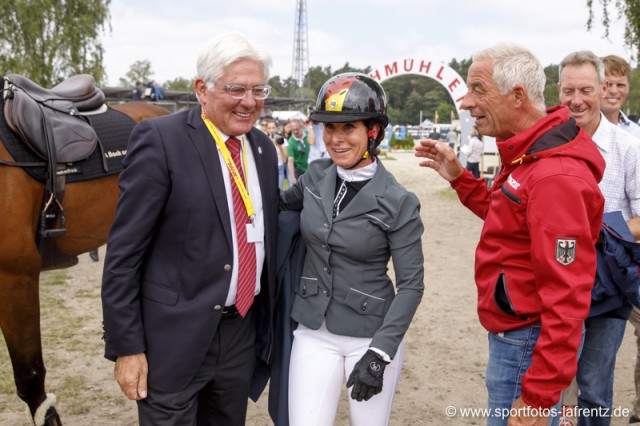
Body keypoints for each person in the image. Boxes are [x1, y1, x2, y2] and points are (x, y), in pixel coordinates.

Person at [416, 44, 605, 426]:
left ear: (517, 96)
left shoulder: (554, 175)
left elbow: (568, 297)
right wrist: (460, 178)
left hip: (528, 343)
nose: (467, 103)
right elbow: (509, 221)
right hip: (520, 336)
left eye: (478, 90)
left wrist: (537, 398)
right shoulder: (530, 153)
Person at [101, 31, 279, 425]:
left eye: (258, 90)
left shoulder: (264, 149)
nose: (250, 102)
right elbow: (124, 254)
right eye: (236, 89)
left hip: (240, 334)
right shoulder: (161, 140)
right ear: (202, 88)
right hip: (174, 338)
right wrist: (127, 346)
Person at [281, 72, 424, 425]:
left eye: (348, 128)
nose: (336, 139)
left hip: (371, 336)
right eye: (329, 128)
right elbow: (277, 210)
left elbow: (411, 286)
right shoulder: (314, 176)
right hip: (314, 330)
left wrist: (380, 353)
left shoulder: (399, 201)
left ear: (372, 132)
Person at [557, 51, 640, 426]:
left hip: (607, 286)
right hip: (557, 283)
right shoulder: (547, 146)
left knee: (594, 389)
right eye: (568, 90)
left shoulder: (628, 147)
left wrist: (599, 230)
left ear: (601, 88)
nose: (577, 99)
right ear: (557, 91)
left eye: (586, 90)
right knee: (554, 386)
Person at [600, 55, 640, 425]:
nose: (613, 91)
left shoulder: (635, 137)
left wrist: (613, 234)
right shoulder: (576, 133)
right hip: (591, 262)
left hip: (625, 256)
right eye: (607, 83)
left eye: (620, 85)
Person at [601, 55, 640, 139]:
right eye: (608, 85)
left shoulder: (636, 133)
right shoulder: (576, 131)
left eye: (620, 85)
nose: (613, 91)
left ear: (628, 87)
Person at [267, 119, 289, 189]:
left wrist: (279, 145)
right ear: (267, 129)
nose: (271, 130)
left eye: (273, 128)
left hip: (279, 168)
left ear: (277, 128)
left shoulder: (283, 141)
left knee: (279, 191)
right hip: (268, 169)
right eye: (269, 128)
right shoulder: (264, 140)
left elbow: (285, 160)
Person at [286, 118, 310, 184]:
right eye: (293, 130)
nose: (295, 132)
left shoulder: (308, 134)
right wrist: (292, 177)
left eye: (297, 129)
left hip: (311, 167)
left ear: (300, 127)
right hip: (300, 170)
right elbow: (290, 160)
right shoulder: (291, 142)